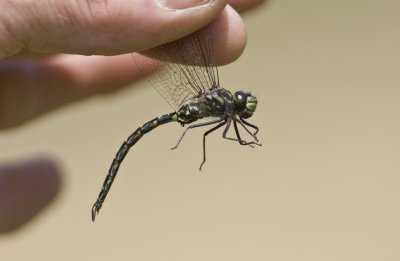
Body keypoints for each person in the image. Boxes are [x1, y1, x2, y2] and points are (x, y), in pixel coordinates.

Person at [0, 0, 266, 232]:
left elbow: (230, 129)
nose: (245, 104)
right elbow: (223, 131)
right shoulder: (225, 108)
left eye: (245, 103)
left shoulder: (226, 111)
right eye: (244, 102)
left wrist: (247, 136)